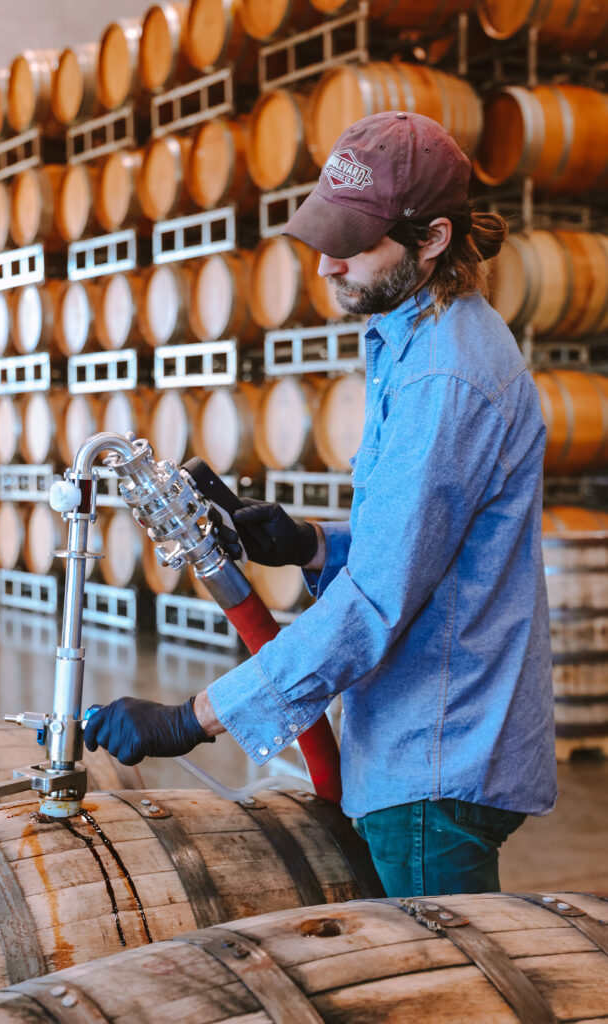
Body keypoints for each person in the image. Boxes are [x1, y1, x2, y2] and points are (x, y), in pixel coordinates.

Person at [85, 111, 558, 897]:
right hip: (426, 736)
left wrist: (191, 718)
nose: (327, 267)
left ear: (431, 238)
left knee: (440, 991)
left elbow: (374, 603)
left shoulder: (444, 377)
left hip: (434, 756)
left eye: (352, 246)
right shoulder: (414, 336)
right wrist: (302, 542)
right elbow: (424, 544)